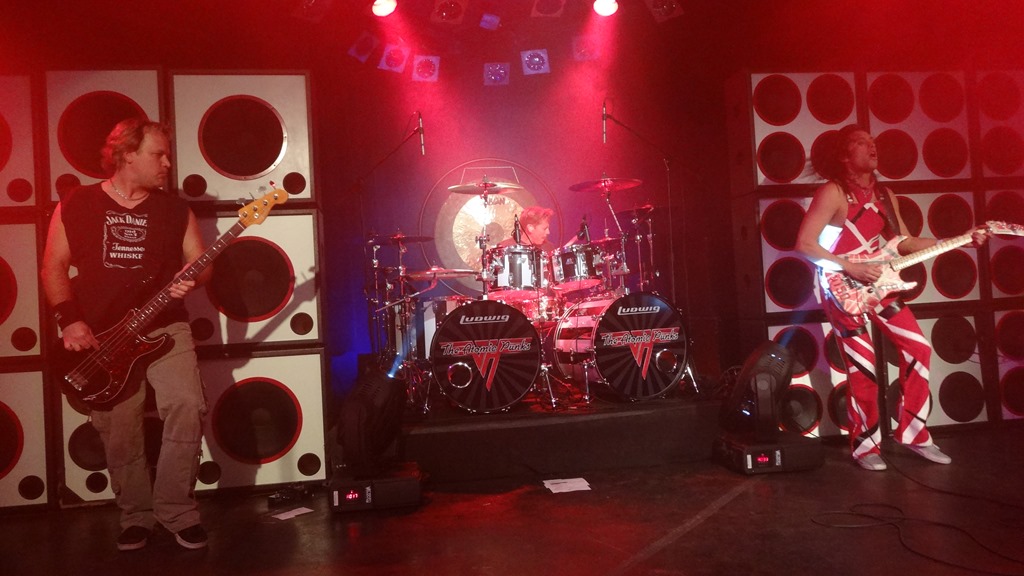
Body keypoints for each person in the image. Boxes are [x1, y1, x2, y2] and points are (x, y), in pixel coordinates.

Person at [41, 118, 210, 549]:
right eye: (158, 154)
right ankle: (137, 516)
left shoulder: (175, 209)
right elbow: (53, 266)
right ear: (127, 154)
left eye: (168, 154)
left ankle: (177, 511)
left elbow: (202, 262)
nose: (167, 163)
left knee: (186, 404)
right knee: (120, 427)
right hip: (102, 334)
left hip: (165, 324)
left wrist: (193, 278)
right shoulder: (77, 203)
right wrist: (69, 320)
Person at [795, 124, 989, 472]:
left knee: (919, 348)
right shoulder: (833, 192)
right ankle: (865, 446)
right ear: (845, 155)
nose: (872, 147)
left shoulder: (885, 194)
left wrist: (961, 238)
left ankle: (914, 435)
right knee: (864, 366)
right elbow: (805, 244)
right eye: (861, 142)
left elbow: (904, 242)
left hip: (880, 283)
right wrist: (849, 267)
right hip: (842, 288)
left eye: (873, 141)